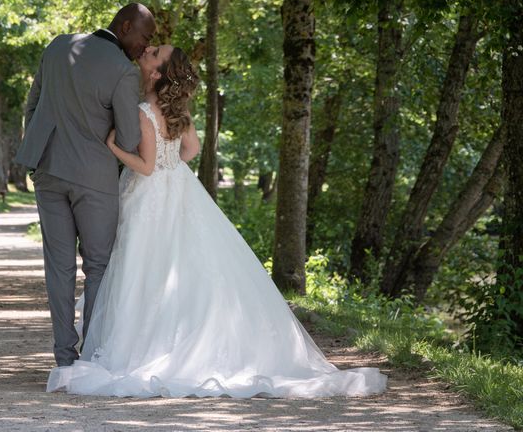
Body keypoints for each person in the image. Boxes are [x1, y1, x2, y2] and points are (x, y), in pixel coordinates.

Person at [46, 45, 388, 398]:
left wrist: (114, 148)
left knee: (144, 266)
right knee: (184, 265)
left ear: (158, 73)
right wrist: (171, 163)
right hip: (178, 186)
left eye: (156, 52)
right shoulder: (178, 112)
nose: (150, 50)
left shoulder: (145, 112)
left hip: (149, 194)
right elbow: (190, 151)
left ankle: (145, 343)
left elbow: (146, 168)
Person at [15, 3, 156, 367]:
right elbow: (126, 138)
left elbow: (32, 106)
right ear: (125, 27)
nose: (146, 45)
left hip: (47, 171)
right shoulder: (123, 71)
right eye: (145, 36)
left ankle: (64, 358)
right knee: (97, 266)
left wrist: (40, 152)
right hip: (95, 179)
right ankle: (91, 358)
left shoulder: (59, 46)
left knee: (58, 267)